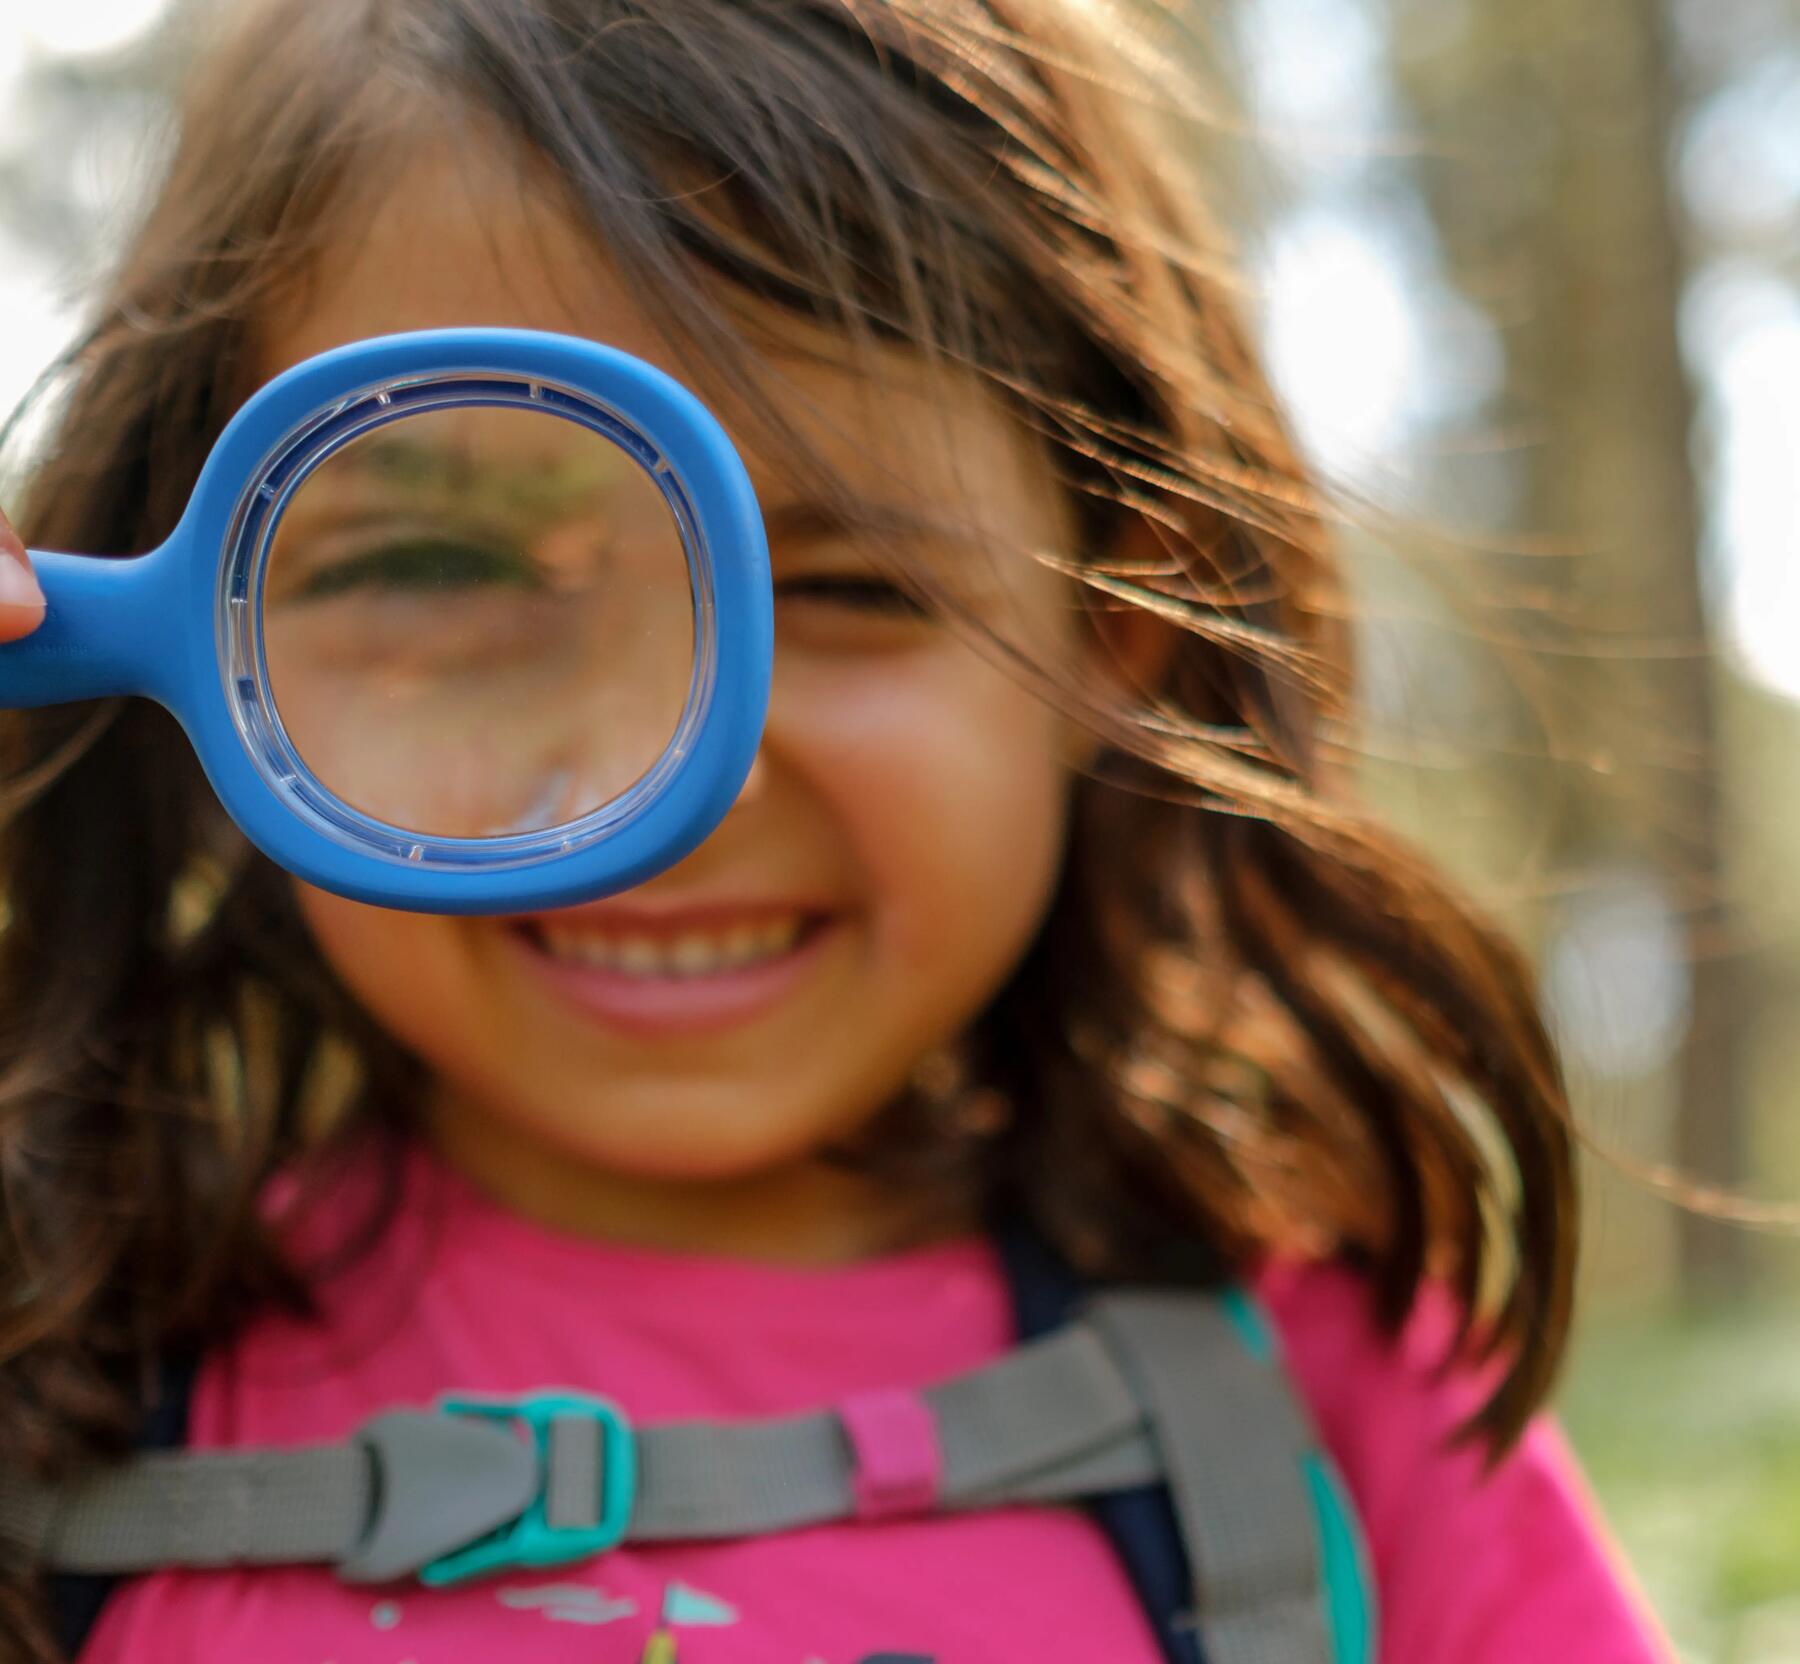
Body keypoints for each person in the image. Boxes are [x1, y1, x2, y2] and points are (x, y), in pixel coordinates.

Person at [0, 1, 1670, 1660]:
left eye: (853, 589)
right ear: (203, 643)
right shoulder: (56, 1358)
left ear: (1120, 634)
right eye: (445, 575)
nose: (659, 788)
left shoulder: (1327, 1400)